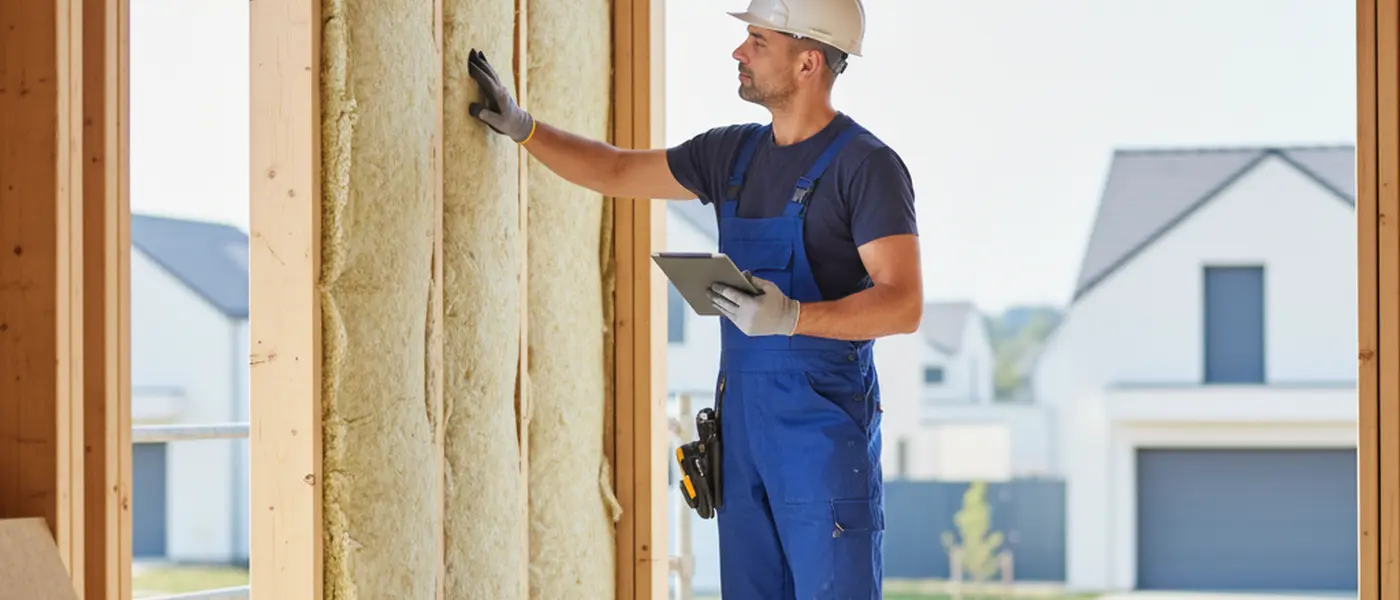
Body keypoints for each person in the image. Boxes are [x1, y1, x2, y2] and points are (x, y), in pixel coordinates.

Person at [467, 0, 921, 596]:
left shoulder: (866, 168)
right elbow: (618, 172)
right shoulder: (731, 155)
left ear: (809, 61)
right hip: (743, 439)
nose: (739, 52)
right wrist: (526, 128)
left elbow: (903, 304)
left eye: (758, 41)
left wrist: (792, 316)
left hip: (822, 444)